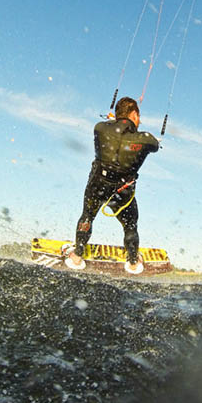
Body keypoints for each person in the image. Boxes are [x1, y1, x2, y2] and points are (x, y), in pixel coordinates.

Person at [65, 96, 159, 274]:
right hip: (122, 191)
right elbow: (154, 145)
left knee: (87, 215)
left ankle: (77, 256)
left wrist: (113, 122)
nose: (139, 121)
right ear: (134, 114)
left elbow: (109, 128)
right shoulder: (145, 139)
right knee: (130, 225)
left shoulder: (100, 128)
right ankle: (133, 262)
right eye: (138, 117)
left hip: (98, 185)